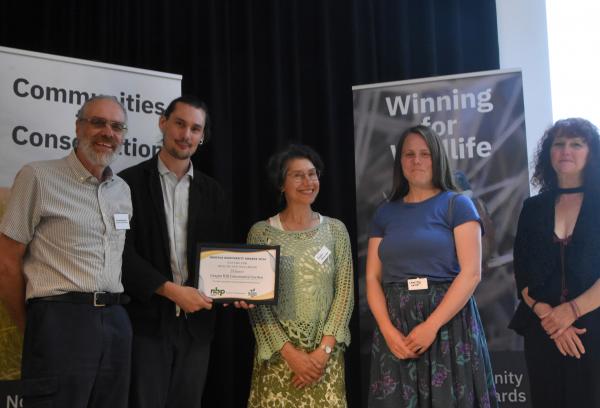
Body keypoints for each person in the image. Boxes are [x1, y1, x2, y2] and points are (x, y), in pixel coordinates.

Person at [0, 95, 132, 407]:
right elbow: (6, 261)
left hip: (115, 320)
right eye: (98, 122)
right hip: (60, 319)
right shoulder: (38, 176)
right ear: (78, 126)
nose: (107, 133)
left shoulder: (122, 191)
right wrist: (32, 325)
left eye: (117, 126)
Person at [367, 125, 497, 407]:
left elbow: (472, 272)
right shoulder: (385, 212)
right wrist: (388, 332)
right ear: (400, 161)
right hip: (396, 328)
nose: (416, 160)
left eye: (425, 154)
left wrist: (431, 325)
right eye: (409, 154)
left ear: (437, 158)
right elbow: (372, 279)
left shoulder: (458, 205)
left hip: (448, 324)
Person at [119, 96, 228, 408]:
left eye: (196, 128)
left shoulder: (213, 192)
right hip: (147, 323)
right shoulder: (127, 184)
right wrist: (171, 291)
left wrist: (235, 289)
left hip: (197, 329)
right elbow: (121, 255)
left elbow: (221, 256)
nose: (186, 135)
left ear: (202, 136)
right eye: (180, 123)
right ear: (162, 122)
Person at [246, 144, 354, 407]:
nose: (308, 181)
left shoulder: (336, 231)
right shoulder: (261, 233)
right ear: (281, 184)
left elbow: (344, 294)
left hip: (324, 362)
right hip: (278, 360)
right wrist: (290, 354)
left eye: (312, 173)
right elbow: (258, 306)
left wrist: (323, 352)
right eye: (297, 175)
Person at [509, 118, 600, 407]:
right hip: (543, 330)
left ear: (591, 152)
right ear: (548, 153)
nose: (566, 151)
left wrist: (572, 311)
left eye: (576, 144)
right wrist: (554, 321)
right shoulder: (533, 207)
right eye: (558, 144)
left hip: (593, 327)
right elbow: (522, 275)